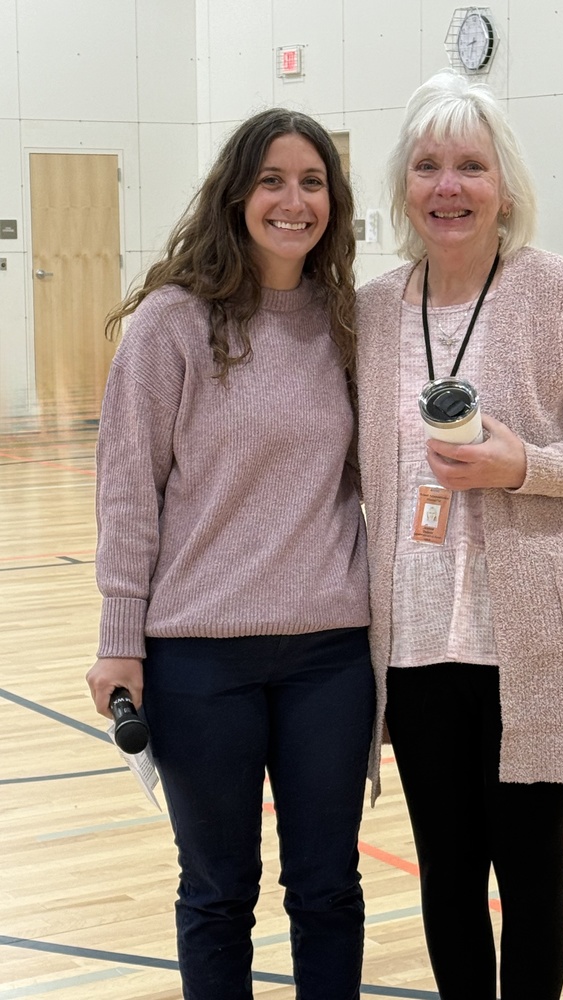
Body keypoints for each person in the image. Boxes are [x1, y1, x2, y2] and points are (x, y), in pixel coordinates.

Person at [356, 70, 563, 1000]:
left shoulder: (555, 290)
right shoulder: (369, 311)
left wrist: (526, 465)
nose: (450, 186)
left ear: (505, 186)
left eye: (471, 166)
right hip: (412, 641)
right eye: (429, 166)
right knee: (447, 874)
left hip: (531, 637)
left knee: (530, 873)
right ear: (404, 187)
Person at [86, 108, 375, 1000]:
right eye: (274, 181)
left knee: (327, 888)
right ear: (236, 194)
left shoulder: (350, 325)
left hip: (331, 656)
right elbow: (129, 491)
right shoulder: (173, 324)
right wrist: (117, 637)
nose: (294, 201)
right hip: (199, 657)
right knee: (218, 894)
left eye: (313, 182)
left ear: (335, 199)